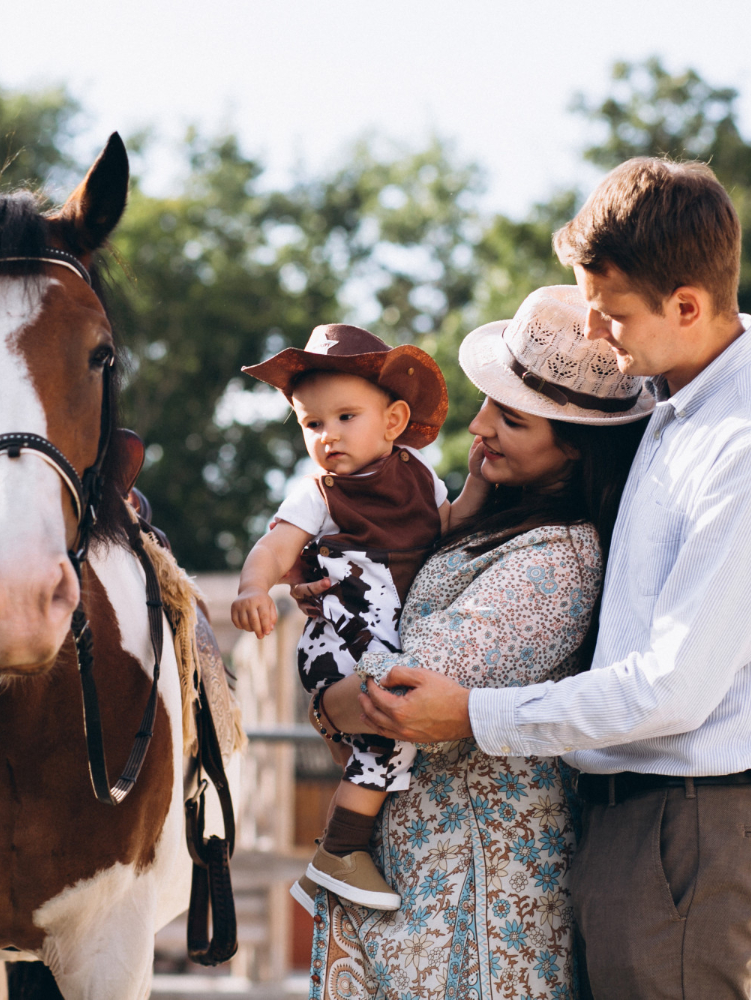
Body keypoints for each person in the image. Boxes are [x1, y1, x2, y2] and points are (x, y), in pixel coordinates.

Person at [351, 158, 751, 999]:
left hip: (689, 821)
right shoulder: (673, 410)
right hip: (634, 817)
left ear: (686, 306)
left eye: (611, 311)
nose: (594, 328)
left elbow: (672, 689)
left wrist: (471, 712)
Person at [302, 285, 651, 1000]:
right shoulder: (478, 523)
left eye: (512, 420)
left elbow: (398, 692)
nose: (479, 425)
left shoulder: (560, 558)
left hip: (474, 898)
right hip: (417, 882)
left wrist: (327, 691)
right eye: (489, 402)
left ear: (575, 451)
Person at [230, 324, 452, 910]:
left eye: (346, 417)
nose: (328, 435)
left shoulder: (423, 479)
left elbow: (451, 531)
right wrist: (253, 586)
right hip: (339, 641)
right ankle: (339, 851)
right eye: (312, 424)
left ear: (394, 420)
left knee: (385, 742)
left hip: (384, 640)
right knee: (389, 728)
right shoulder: (320, 494)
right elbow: (274, 548)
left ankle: (331, 867)